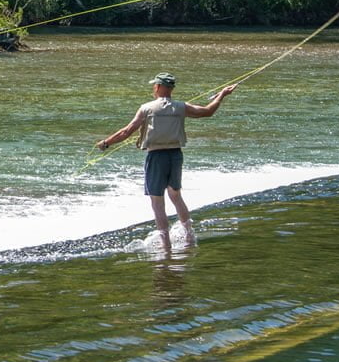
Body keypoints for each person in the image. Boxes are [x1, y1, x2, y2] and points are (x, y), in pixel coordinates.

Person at [96, 72, 237, 249]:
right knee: (176, 195)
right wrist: (222, 95)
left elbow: (126, 132)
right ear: (171, 88)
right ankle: (189, 235)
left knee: (157, 201)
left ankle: (166, 244)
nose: (153, 88)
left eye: (154, 85)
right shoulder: (181, 107)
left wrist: (106, 143)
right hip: (176, 155)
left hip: (156, 157)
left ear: (158, 87)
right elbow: (208, 111)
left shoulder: (147, 108)